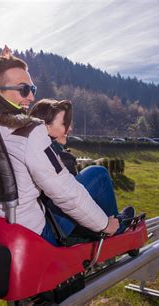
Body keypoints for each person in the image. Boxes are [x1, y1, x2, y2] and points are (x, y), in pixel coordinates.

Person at [0, 47, 132, 245]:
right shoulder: (29, 131)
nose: (31, 98)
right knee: (98, 174)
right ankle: (113, 233)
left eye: (33, 90)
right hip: (28, 236)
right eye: (24, 89)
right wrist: (103, 224)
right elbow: (64, 191)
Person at [29, 99, 133, 242]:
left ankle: (114, 222)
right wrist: (104, 225)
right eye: (64, 124)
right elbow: (72, 200)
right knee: (98, 174)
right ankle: (117, 227)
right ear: (45, 126)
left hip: (44, 221)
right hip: (52, 227)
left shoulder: (31, 146)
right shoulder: (52, 155)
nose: (69, 129)